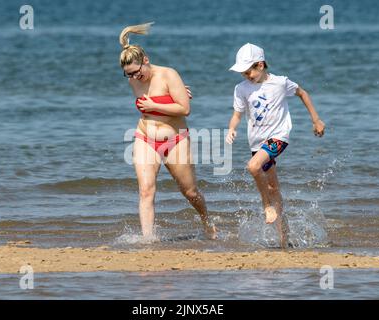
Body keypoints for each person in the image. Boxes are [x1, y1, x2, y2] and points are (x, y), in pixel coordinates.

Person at [119, 22, 216, 240]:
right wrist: (166, 99)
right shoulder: (134, 80)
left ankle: (207, 223)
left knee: (190, 192)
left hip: (176, 140)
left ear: (146, 61)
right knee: (146, 190)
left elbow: (185, 109)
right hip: (144, 138)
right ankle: (148, 240)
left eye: (136, 72)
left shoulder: (168, 74)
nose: (134, 78)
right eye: (128, 75)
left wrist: (158, 104)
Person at [225, 43, 325, 248]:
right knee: (273, 188)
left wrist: (316, 120)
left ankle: (266, 206)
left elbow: (302, 94)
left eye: (249, 71)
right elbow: (237, 114)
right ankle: (284, 240)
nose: (246, 76)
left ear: (260, 65)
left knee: (253, 167)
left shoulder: (280, 83)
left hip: (279, 137)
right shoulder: (241, 89)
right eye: (243, 73)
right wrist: (232, 128)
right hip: (256, 142)